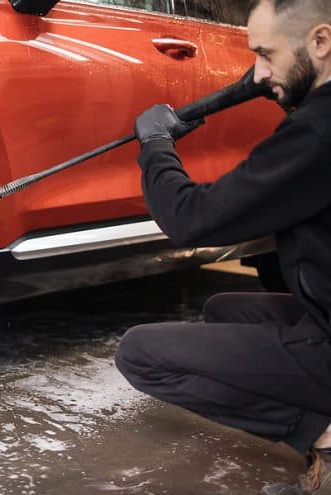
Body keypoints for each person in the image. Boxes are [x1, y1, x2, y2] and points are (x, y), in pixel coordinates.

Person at [114, 0, 331, 493]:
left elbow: (190, 220)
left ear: (320, 42)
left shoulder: (318, 134)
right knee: (222, 307)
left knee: (140, 354)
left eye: (266, 53)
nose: (258, 73)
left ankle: (323, 433)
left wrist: (155, 147)